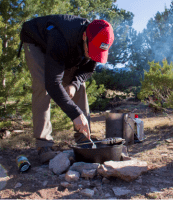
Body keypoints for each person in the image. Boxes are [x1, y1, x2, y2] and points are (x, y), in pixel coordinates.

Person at [18, 15, 114, 163]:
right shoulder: (61, 39)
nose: (92, 55)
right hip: (36, 41)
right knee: (42, 85)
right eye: (91, 50)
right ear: (84, 36)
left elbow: (87, 70)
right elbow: (52, 83)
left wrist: (73, 85)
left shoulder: (96, 40)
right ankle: (44, 144)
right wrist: (75, 113)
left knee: (79, 86)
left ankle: (83, 139)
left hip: (64, 52)